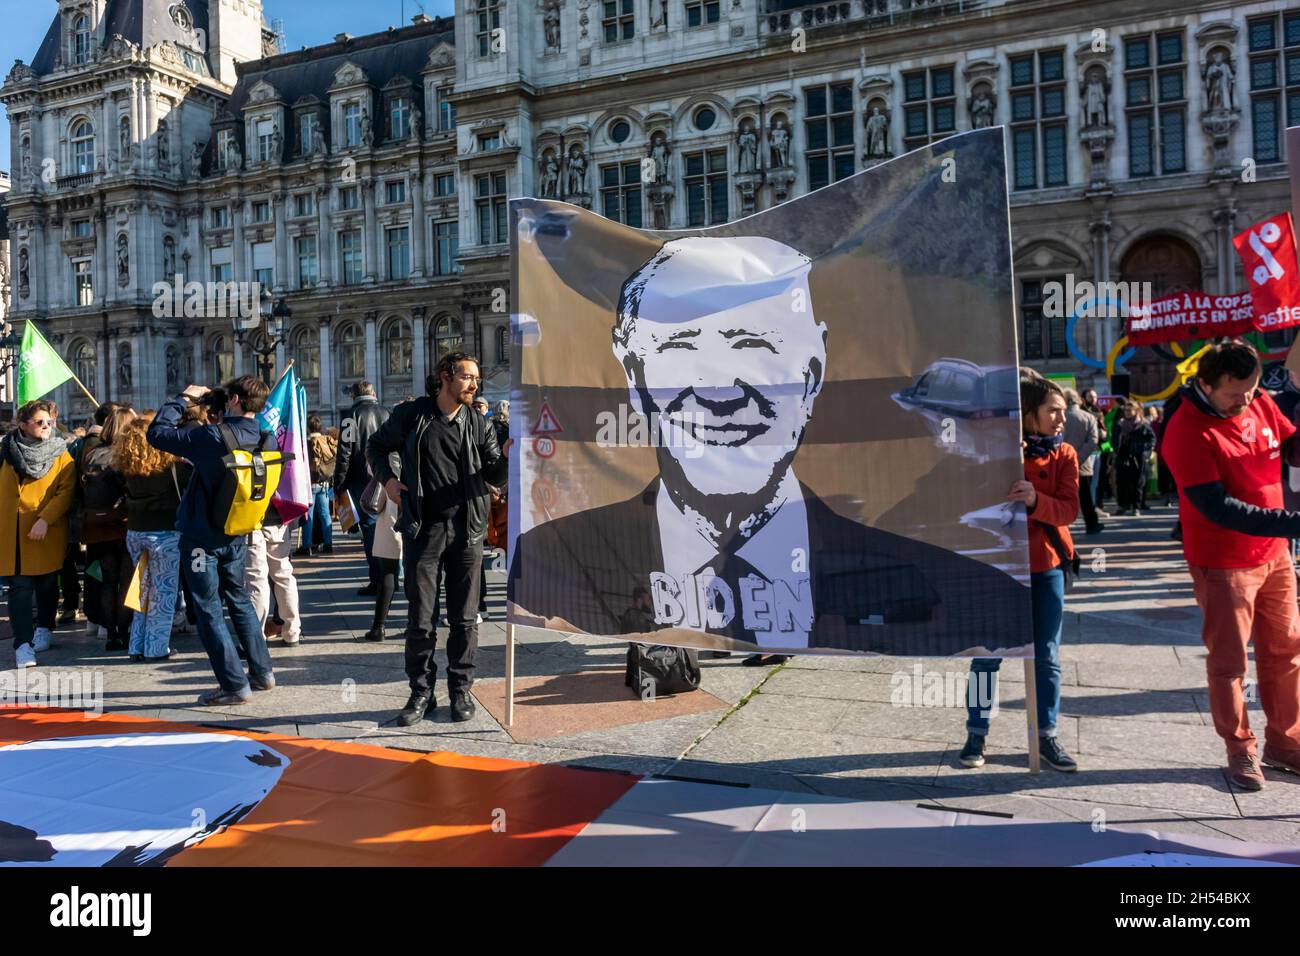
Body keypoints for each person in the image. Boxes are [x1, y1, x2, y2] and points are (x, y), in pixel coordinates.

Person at [509, 235, 1029, 654]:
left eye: (754, 349)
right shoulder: (548, 567)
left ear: (812, 371)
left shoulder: (966, 594)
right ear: (634, 374)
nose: (719, 393)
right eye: (681, 351)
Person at [1161, 339, 1300, 790]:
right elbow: (1218, 509)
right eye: (1234, 394)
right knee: (1230, 662)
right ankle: (1240, 749)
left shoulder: (1258, 400)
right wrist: (1293, 523)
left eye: (1251, 390)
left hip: (1274, 555)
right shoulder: (1185, 432)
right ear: (1205, 384)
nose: (1245, 401)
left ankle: (1286, 742)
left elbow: (1291, 445)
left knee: (1286, 652)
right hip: (1223, 562)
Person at [366, 352, 511, 726]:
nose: (474, 384)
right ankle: (421, 693)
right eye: (467, 377)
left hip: (468, 531)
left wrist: (508, 458)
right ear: (445, 376)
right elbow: (376, 447)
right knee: (420, 620)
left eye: (476, 378)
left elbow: (494, 473)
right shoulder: (412, 416)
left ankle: (461, 691)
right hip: (423, 531)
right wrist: (389, 480)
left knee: (465, 619)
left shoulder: (479, 423)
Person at [960, 370, 1079, 773]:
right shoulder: (995, 450)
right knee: (986, 657)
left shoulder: (1064, 455)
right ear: (1028, 413)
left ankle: (1047, 735)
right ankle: (976, 734)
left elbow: (1069, 510)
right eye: (1053, 411)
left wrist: (1035, 500)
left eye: (1062, 412)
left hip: (1045, 567)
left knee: (1046, 656)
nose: (1061, 419)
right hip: (998, 566)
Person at [147, 377, 276, 706]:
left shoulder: (212, 435)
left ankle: (234, 685)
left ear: (233, 399)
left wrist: (181, 398)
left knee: (207, 608)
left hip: (203, 535)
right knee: (239, 598)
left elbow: (157, 434)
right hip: (237, 528)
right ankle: (262, 672)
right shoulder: (266, 435)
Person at [2, 400, 76, 668]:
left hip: (46, 530)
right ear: (23, 425)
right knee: (19, 588)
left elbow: (66, 492)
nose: (46, 426)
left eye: (50, 422)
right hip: (12, 533)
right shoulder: (5, 450)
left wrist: (45, 519)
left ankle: (44, 626)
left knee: (46, 584)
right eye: (40, 422)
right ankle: (23, 644)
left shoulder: (61, 454)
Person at [115, 413, 191, 662]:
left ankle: (137, 645)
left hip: (135, 532)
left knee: (142, 589)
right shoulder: (172, 467)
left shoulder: (126, 467)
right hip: (164, 533)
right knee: (164, 593)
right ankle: (157, 648)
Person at [80, 407, 137, 652]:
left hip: (97, 526)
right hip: (123, 525)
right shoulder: (127, 454)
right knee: (126, 581)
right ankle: (125, 632)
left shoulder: (92, 453)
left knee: (106, 581)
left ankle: (110, 633)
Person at [335, 381, 389, 596]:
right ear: (373, 393)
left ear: (354, 396)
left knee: (369, 528)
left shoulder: (351, 416)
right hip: (384, 476)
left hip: (360, 478)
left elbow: (345, 453)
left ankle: (377, 580)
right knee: (385, 526)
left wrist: (338, 483)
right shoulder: (387, 413)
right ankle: (389, 575)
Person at [245, 501, 302, 647]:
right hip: (280, 516)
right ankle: (292, 632)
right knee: (284, 575)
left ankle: (256, 638)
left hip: (254, 516)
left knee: (257, 579)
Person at [366, 486, 404, 642]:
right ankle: (417, 625)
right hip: (420, 505)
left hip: (392, 504)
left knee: (387, 570)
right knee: (419, 573)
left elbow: (373, 470)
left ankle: (378, 627)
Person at [1062, 387, 1102, 535]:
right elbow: (1092, 442)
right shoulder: (1089, 417)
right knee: (1086, 496)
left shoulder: (1060, 416)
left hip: (1061, 463)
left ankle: (1063, 526)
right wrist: (1077, 459)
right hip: (1083, 464)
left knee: (1063, 495)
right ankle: (1091, 524)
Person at [298, 414, 336, 556]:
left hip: (311, 483)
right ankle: (328, 544)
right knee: (325, 513)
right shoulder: (326, 441)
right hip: (325, 482)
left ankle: (307, 545)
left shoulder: (307, 442)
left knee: (309, 515)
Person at [1114, 400, 1155, 515]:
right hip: (1122, 455)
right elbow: (1114, 439)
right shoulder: (1120, 424)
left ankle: (1136, 507)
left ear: (1136, 411)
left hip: (1137, 456)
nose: (1126, 412)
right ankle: (1122, 505)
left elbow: (1152, 440)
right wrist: (1115, 450)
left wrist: (1143, 450)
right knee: (1121, 482)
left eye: (1129, 410)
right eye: (1125, 410)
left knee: (1137, 482)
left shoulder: (1142, 425)